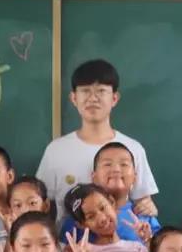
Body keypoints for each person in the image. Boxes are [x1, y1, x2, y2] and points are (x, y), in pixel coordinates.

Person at [36, 60, 158, 225]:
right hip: (69, 239)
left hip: (122, 239)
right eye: (85, 91)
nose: (93, 98)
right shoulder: (56, 150)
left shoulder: (133, 149)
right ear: (74, 98)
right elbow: (41, 204)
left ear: (114, 98)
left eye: (101, 91)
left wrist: (149, 207)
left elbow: (143, 203)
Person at [61, 143, 160, 244]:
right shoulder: (77, 217)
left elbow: (159, 250)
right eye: (107, 164)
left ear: (135, 177)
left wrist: (148, 239)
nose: (116, 169)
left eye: (124, 164)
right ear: (94, 177)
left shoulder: (145, 215)